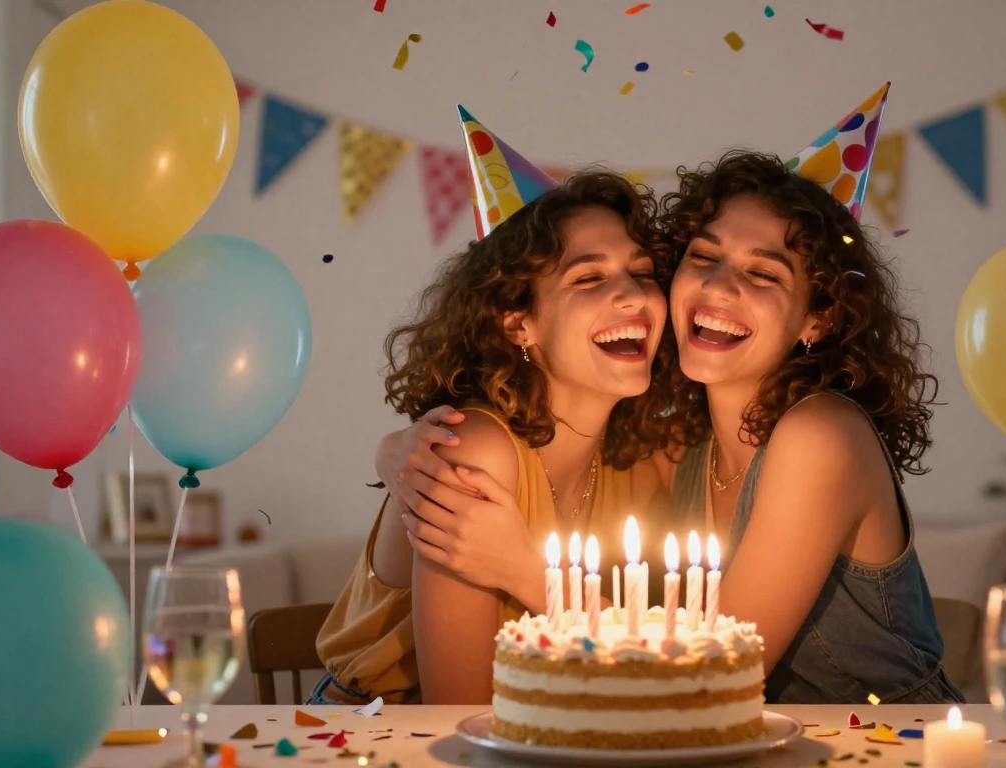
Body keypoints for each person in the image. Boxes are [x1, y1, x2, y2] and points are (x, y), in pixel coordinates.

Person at [390, 85, 964, 704]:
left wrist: (524, 571)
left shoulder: (819, 436)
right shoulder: (680, 453)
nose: (719, 286)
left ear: (818, 319)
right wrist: (395, 448)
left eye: (763, 273)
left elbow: (711, 678)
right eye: (703, 257)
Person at [310, 107, 677, 706]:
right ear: (517, 322)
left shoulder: (645, 460)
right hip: (381, 739)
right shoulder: (474, 451)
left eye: (642, 274)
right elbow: (459, 709)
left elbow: (685, 657)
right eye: (589, 280)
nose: (632, 295)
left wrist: (525, 570)